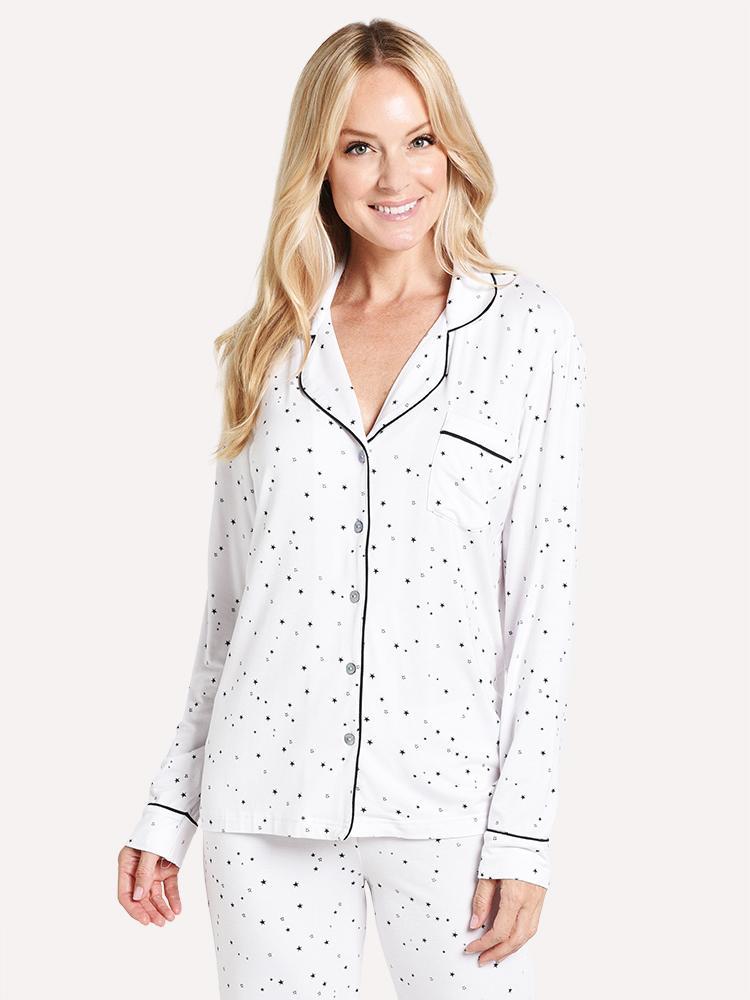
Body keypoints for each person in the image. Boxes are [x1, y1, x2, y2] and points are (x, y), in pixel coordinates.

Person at [117, 17, 587, 999]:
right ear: (320, 164)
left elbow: (542, 604)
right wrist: (170, 806)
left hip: (450, 813)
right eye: (359, 146)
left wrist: (523, 832)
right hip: (262, 810)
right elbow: (229, 611)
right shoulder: (266, 349)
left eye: (420, 139)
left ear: (452, 148)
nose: (395, 176)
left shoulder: (528, 333)